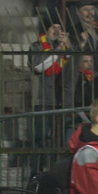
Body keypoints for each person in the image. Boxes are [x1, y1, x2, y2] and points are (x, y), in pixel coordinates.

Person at [29, 18, 70, 175]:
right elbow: (38, 67)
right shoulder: (37, 46)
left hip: (61, 100)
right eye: (54, 27)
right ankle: (36, 174)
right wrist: (58, 50)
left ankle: (54, 173)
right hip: (43, 99)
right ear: (46, 29)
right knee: (40, 139)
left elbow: (73, 67)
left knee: (57, 142)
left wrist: (68, 48)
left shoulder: (66, 47)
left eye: (60, 28)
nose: (57, 31)